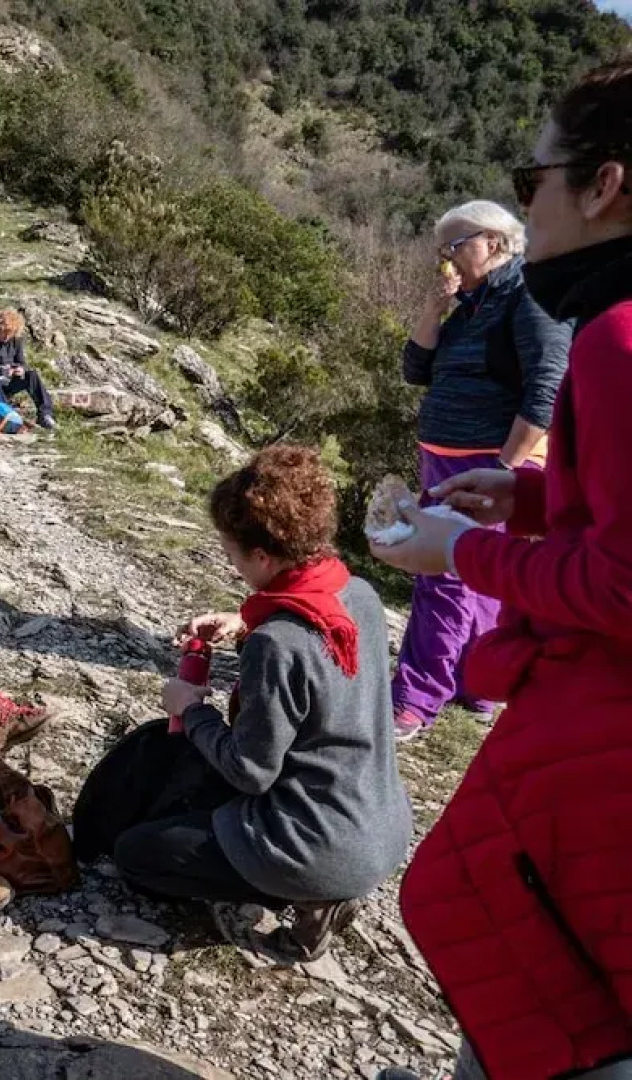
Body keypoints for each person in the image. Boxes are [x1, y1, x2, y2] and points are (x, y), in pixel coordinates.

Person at [370, 59, 632, 1080]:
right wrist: (525, 499)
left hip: (598, 724)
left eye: (534, 184)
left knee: (496, 920)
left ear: (600, 184)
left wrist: (470, 548)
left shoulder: (610, 336)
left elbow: (621, 580)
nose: (531, 208)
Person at [74, 446, 411, 962]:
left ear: (262, 556)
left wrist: (190, 708)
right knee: (168, 763)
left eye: (231, 552)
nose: (231, 566)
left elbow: (251, 771)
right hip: (379, 820)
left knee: (138, 856)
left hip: (319, 843)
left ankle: (311, 896)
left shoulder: (276, 643)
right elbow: (312, 661)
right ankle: (314, 880)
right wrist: (246, 621)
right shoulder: (354, 592)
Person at [393, 200, 572, 742]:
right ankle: (479, 684)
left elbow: (547, 387)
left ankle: (414, 701)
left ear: (492, 244)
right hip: (447, 455)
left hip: (489, 461)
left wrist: (505, 470)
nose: (444, 257)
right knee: (478, 574)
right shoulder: (470, 303)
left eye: (453, 245)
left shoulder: (528, 297)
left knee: (442, 574)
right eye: (441, 249)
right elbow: (414, 368)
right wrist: (433, 309)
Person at [0, 308, 56, 431]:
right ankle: (5, 415)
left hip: (6, 384)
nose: (5, 336)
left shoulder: (16, 341)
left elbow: (21, 362)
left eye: (9, 333)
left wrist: (20, 369)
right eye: (2, 332)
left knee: (31, 375)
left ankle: (45, 415)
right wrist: (1, 370)